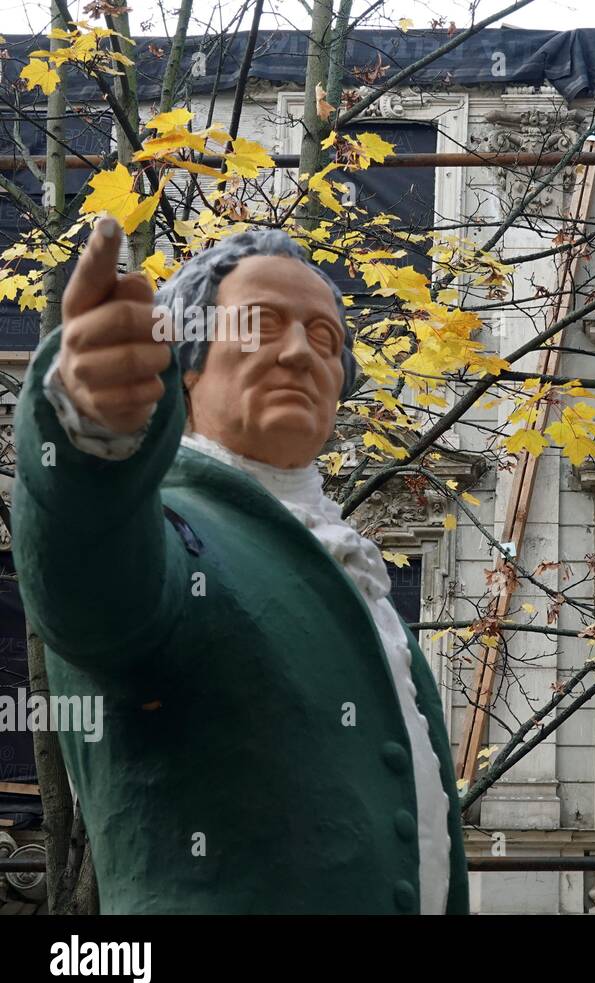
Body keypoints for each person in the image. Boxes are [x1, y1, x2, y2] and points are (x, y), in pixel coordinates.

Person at [12, 218, 467, 914]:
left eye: (325, 339)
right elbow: (93, 586)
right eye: (260, 325)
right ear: (185, 359)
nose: (299, 354)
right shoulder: (157, 529)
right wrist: (88, 429)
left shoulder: (354, 572)